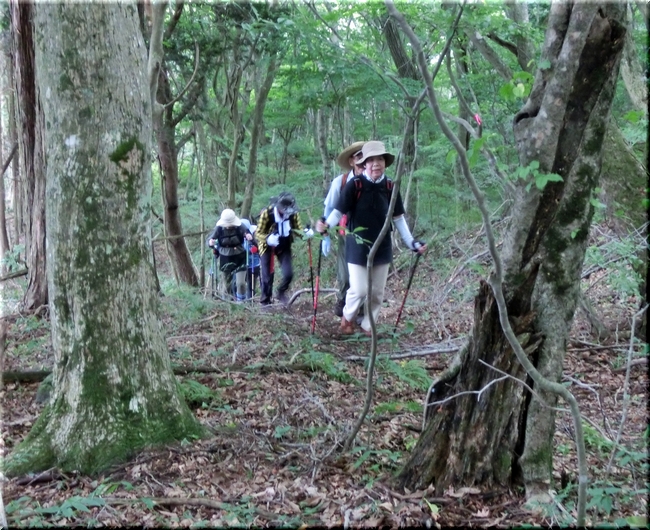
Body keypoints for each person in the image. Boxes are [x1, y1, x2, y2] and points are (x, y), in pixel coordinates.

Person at [316, 141, 427, 335]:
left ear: (385, 163)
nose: (376, 163)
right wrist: (325, 225)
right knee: (359, 289)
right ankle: (347, 317)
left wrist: (412, 243)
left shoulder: (390, 186)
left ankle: (368, 326)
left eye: (380, 159)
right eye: (371, 160)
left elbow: (398, 218)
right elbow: (338, 211)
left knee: (377, 293)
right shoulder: (354, 185)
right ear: (364, 164)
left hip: (382, 245)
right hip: (357, 245)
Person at [322, 141, 366, 317]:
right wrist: (325, 234)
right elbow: (329, 208)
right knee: (345, 273)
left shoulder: (375, 181)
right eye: (358, 156)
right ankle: (343, 300)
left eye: (366, 156)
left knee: (366, 273)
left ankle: (362, 309)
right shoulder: (340, 182)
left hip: (369, 234)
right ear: (351, 161)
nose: (363, 161)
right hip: (346, 233)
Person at [255, 192, 313, 306]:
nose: (287, 212)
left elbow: (298, 229)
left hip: (284, 244)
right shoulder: (267, 213)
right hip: (267, 246)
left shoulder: (293, 214)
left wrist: (305, 233)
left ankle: (281, 292)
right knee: (267, 276)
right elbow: (257, 233)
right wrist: (267, 238)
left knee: (288, 273)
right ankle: (265, 301)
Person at [207, 208, 253, 301]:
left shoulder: (240, 226)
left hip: (240, 257)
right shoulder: (219, 228)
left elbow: (249, 235)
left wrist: (249, 237)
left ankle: (241, 302)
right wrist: (210, 243)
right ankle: (228, 303)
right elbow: (210, 239)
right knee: (227, 283)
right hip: (225, 258)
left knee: (241, 283)